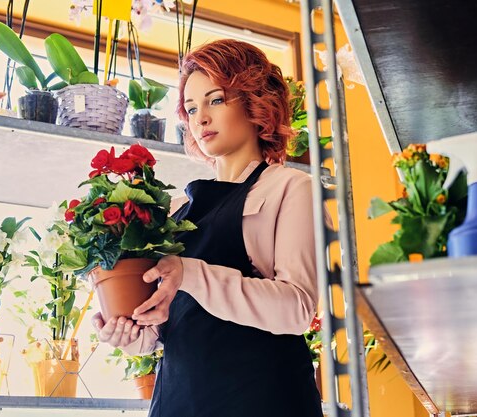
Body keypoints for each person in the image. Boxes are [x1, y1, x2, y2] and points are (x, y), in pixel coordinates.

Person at [92, 39, 323, 417]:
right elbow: (165, 328)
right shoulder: (181, 211)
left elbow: (296, 309)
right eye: (191, 107)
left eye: (215, 100)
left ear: (254, 101)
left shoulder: (291, 188)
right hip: (180, 403)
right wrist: (130, 333)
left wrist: (190, 274)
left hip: (263, 399)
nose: (200, 118)